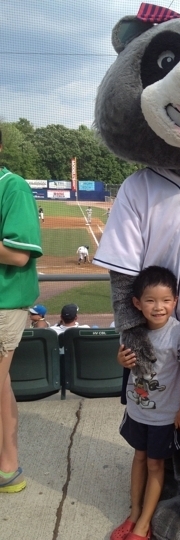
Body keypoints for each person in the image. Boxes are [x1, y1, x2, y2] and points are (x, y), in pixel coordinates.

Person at [110, 266, 180, 540]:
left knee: (156, 465)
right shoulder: (131, 331)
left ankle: (144, 523)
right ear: (137, 303)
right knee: (139, 457)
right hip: (136, 411)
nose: (158, 307)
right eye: (150, 300)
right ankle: (134, 512)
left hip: (164, 417)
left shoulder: (179, 334)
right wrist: (120, 361)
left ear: (175, 300)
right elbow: (123, 359)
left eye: (166, 300)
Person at [0, 129, 43, 493]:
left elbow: (19, 254)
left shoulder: (11, 186)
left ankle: (8, 466)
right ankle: (7, 466)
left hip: (4, 300)